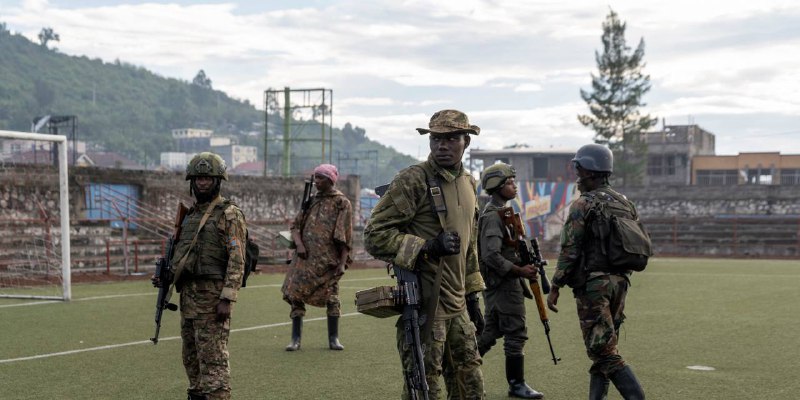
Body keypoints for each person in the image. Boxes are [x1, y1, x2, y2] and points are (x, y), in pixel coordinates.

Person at [364, 109, 486, 400]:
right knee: (425, 389)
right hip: (425, 308)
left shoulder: (469, 183)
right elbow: (374, 236)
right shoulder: (413, 180)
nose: (442, 145)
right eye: (436, 139)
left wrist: (472, 295)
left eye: (451, 138)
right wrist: (426, 247)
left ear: (465, 142)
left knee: (471, 385)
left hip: (458, 308)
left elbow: (469, 246)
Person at [546, 144, 646, 400]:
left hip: (594, 286)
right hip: (620, 284)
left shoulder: (583, 204)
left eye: (578, 170)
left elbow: (570, 248)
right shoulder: (625, 203)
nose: (577, 177)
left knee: (604, 351)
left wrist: (556, 285)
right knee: (603, 347)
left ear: (589, 171)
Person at [171, 152, 248, 400]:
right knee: (191, 359)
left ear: (218, 180)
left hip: (213, 299)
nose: (202, 182)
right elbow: (184, 256)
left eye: (207, 178)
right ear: (192, 182)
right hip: (190, 298)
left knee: (213, 361)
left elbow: (237, 258)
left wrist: (228, 297)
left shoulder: (229, 214)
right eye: (198, 178)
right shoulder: (190, 216)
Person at [475, 163, 544, 399]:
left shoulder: (501, 211)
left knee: (490, 333)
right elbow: (491, 256)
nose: (514, 186)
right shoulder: (493, 215)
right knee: (515, 332)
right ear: (496, 186)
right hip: (504, 283)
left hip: (502, 283)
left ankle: (461, 366)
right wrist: (519, 270)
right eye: (509, 183)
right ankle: (516, 384)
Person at [281, 163, 353, 351]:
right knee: (295, 295)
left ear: (330, 180)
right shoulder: (310, 201)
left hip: (328, 261)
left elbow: (345, 236)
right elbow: (295, 227)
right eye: (316, 178)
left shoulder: (341, 202)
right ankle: (295, 339)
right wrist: (299, 245)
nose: (316, 182)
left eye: (320, 178)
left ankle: (333, 338)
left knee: (332, 298)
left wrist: (343, 263)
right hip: (304, 260)